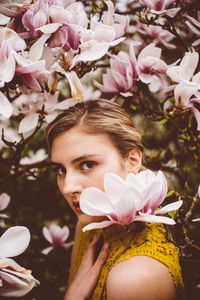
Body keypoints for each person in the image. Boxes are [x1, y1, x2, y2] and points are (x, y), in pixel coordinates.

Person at [46, 99, 184, 300]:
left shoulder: (133, 280)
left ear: (133, 160)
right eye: (60, 169)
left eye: (87, 164)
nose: (68, 187)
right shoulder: (90, 224)